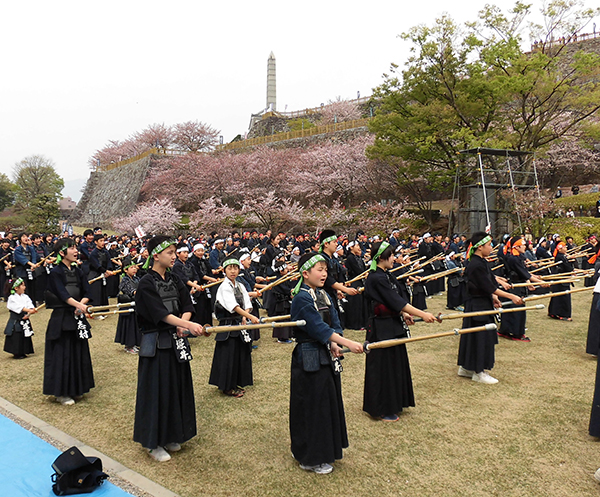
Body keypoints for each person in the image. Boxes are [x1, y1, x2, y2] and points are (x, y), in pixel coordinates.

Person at [133, 236, 207, 462]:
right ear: (156, 255)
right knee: (157, 391)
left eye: (175, 252)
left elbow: (187, 305)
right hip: (156, 343)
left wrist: (183, 327)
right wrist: (188, 325)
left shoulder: (175, 278)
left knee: (177, 387)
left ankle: (173, 434)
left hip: (176, 340)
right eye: (170, 252)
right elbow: (160, 314)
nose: (175, 256)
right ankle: (153, 442)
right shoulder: (146, 282)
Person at [289, 252, 364, 475]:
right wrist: (346, 341)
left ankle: (321, 449)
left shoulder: (323, 294)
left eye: (325, 269)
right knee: (312, 406)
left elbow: (334, 321)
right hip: (309, 356)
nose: (324, 274)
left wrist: (336, 341)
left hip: (326, 354)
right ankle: (310, 457)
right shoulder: (301, 298)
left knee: (327, 403)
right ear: (305, 273)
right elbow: (317, 327)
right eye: (319, 270)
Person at [363, 241, 438, 420]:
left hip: (393, 324)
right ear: (381, 258)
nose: (394, 259)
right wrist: (422, 314)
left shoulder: (387, 275)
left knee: (396, 364)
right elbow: (394, 300)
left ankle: (396, 402)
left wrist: (404, 314)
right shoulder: (375, 277)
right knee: (383, 368)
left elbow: (396, 299)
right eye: (391, 256)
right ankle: (381, 408)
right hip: (380, 327)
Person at [457, 233, 524, 384]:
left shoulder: (481, 261)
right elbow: (489, 286)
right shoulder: (475, 264)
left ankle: (467, 368)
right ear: (480, 247)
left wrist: (493, 297)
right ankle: (478, 372)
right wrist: (511, 297)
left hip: (481, 302)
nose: (492, 247)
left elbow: (484, 283)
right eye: (489, 245)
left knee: (474, 337)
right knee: (480, 338)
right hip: (477, 305)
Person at [43, 238, 94, 406]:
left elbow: (87, 290)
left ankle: (77, 388)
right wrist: (79, 305)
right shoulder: (55, 272)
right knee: (62, 354)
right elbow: (62, 294)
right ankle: (61, 393)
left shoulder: (78, 271)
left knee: (78, 352)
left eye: (75, 247)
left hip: (77, 316)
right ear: (61, 253)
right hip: (62, 317)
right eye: (71, 248)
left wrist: (82, 305)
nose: (75, 250)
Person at [208, 257, 259, 398]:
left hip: (239, 324)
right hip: (227, 326)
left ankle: (236, 382)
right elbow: (233, 306)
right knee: (228, 357)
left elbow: (247, 304)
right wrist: (250, 317)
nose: (233, 271)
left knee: (239, 354)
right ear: (224, 270)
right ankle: (227, 387)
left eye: (235, 268)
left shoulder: (240, 285)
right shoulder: (224, 287)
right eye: (229, 268)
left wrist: (245, 315)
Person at [498, 236, 545, 342]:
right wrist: (540, 283)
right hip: (514, 286)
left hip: (519, 284)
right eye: (523, 245)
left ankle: (506, 330)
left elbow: (524, 273)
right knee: (516, 310)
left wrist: (530, 280)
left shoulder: (519, 257)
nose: (525, 246)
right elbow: (524, 273)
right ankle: (515, 333)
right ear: (517, 247)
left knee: (512, 309)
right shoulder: (513, 258)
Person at [3, 278, 37, 359]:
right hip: (16, 319)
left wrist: (30, 311)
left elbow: (29, 305)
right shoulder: (12, 298)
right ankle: (17, 352)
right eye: (23, 285)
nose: (24, 287)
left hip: (24, 318)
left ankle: (24, 351)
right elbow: (19, 307)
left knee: (24, 335)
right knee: (17, 336)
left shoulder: (25, 296)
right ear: (16, 288)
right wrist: (28, 310)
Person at [114, 257, 140, 354]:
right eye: (132, 267)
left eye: (135, 267)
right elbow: (132, 291)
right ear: (125, 269)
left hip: (136, 306)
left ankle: (135, 343)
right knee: (129, 326)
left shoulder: (137, 278)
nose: (134, 269)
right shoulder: (124, 280)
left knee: (136, 325)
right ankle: (129, 345)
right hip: (128, 306)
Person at [548, 242, 574, 321]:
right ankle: (563, 314)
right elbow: (568, 268)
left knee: (557, 296)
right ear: (560, 249)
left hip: (560, 278)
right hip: (561, 278)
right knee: (564, 296)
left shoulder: (561, 256)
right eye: (564, 247)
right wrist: (570, 261)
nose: (566, 249)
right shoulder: (561, 257)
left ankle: (553, 312)